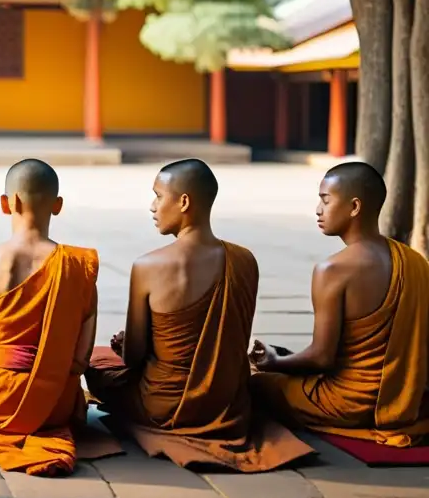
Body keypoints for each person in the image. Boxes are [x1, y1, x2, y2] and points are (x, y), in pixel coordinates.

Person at [85, 158, 311, 471]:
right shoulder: (245, 260)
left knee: (96, 363)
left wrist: (127, 347)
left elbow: (134, 358)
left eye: (158, 196)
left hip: (162, 406)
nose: (153, 206)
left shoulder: (148, 266)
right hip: (229, 405)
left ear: (184, 202)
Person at [251, 162, 429, 447]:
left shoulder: (332, 270)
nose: (318, 210)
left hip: (350, 402)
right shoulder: (415, 261)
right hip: (409, 400)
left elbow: (322, 358)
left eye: (325, 200)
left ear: (354, 207)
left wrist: (275, 362)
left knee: (254, 382)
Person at [0, 159, 99, 476]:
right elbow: (81, 359)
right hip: (55, 404)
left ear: (8, 203)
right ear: (57, 206)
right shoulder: (78, 265)